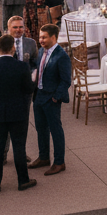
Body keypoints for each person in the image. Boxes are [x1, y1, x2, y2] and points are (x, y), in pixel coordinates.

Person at [0, 34, 37, 192]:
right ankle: (23, 180)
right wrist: (33, 79)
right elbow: (28, 89)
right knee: (19, 147)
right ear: (13, 48)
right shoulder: (21, 67)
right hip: (18, 111)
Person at [30, 24, 72, 175]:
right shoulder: (41, 51)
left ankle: (59, 162)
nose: (40, 40)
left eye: (43, 37)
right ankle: (43, 157)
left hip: (51, 98)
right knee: (40, 128)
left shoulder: (62, 56)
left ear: (53, 37)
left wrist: (55, 98)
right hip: (39, 95)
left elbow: (66, 80)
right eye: (40, 37)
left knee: (55, 130)